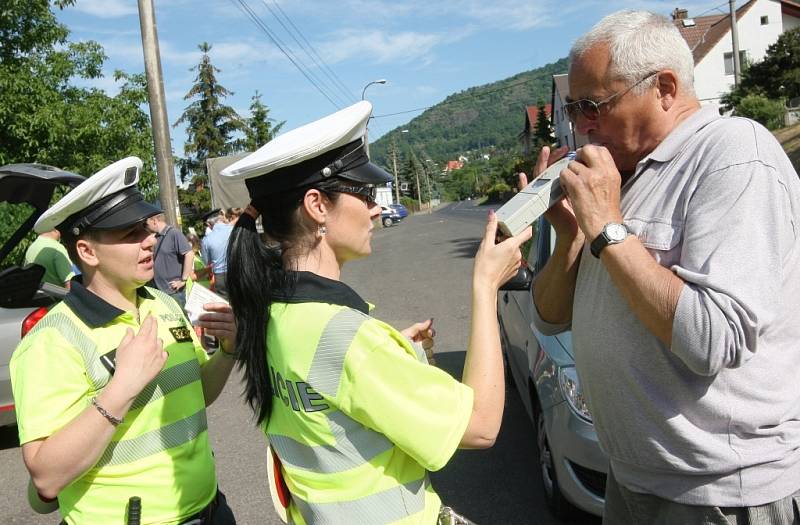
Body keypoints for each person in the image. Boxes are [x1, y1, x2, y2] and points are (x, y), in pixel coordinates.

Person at [526, 10, 800, 524]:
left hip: (718, 493)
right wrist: (568, 235)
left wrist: (608, 229)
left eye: (593, 105)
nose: (581, 123)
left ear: (666, 88)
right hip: (633, 481)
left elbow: (713, 339)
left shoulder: (734, 154)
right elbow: (549, 318)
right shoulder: (623, 172)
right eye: (573, 106)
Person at [220, 101, 531, 524]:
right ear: (317, 206)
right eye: (364, 194)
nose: (374, 208)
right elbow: (480, 426)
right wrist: (486, 285)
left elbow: (329, 390)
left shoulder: (272, 311)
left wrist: (390, 353)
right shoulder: (348, 340)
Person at [11, 156, 239, 524]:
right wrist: (123, 387)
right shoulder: (51, 341)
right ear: (87, 251)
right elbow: (47, 477)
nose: (149, 240)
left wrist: (228, 350)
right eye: (128, 234)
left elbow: (198, 394)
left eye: (145, 228)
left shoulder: (163, 303)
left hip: (210, 508)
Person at [146, 212, 193, 308]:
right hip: (158, 290)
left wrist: (183, 280)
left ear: (154, 221)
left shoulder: (174, 233)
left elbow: (189, 254)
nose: (145, 227)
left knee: (180, 321)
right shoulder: (155, 237)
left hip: (173, 291)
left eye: (146, 224)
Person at [201, 209, 233, 298]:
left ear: (208, 224)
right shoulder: (236, 230)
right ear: (222, 216)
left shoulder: (206, 240)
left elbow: (207, 263)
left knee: (225, 305)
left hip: (220, 276)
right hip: (239, 271)